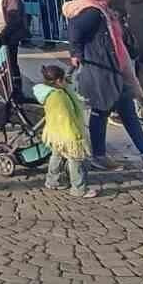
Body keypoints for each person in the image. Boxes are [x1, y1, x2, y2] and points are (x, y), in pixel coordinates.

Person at [63, 0, 143, 170]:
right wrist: (76, 54)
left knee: (128, 113)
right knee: (101, 111)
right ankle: (99, 156)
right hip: (101, 69)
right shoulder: (92, 12)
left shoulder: (103, 10)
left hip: (115, 68)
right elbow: (74, 29)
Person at [33, 64, 94, 199]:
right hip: (68, 134)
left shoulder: (50, 92)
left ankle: (52, 181)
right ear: (59, 81)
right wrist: (77, 135)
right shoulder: (59, 96)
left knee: (57, 155)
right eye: (64, 80)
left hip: (55, 133)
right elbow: (67, 117)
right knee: (75, 159)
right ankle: (79, 189)